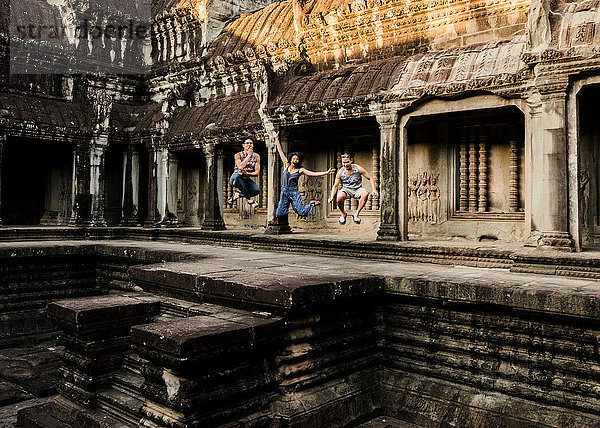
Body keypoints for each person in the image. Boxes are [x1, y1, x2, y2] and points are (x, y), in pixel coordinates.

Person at [274, 131, 335, 218]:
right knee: (279, 214)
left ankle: (312, 204)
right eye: (293, 158)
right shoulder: (286, 165)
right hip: (284, 191)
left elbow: (313, 174)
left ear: (299, 161)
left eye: (297, 159)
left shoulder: (300, 170)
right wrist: (276, 138)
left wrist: (326, 172)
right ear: (290, 159)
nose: (295, 160)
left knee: (301, 212)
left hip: (294, 192)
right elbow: (280, 151)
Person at [328, 152, 379, 224]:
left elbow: (370, 178)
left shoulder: (357, 168)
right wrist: (332, 197)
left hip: (357, 189)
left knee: (365, 194)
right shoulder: (340, 172)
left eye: (347, 162)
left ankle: (356, 214)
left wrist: (374, 189)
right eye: (343, 162)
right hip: (346, 189)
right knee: (339, 197)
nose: (345, 165)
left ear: (351, 160)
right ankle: (343, 213)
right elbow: (335, 186)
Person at [229, 137, 260, 208]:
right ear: (243, 145)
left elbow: (257, 173)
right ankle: (250, 200)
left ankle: (238, 195)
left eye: (251, 143)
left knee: (256, 191)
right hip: (235, 179)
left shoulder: (256, 156)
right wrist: (248, 156)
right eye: (247, 143)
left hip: (245, 178)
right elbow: (240, 167)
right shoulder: (238, 155)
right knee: (238, 176)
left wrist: (247, 174)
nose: (249, 145)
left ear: (253, 145)